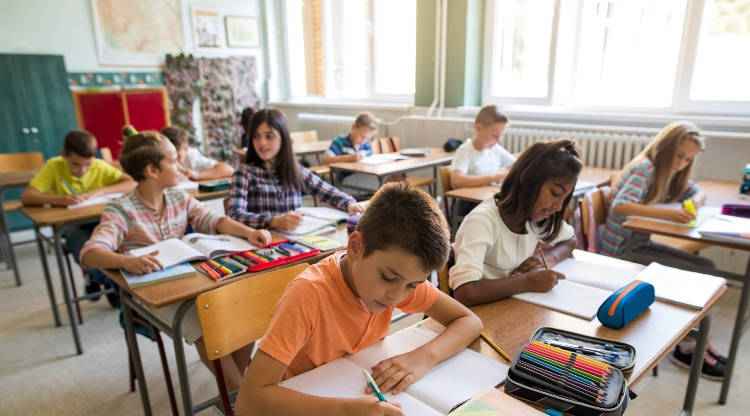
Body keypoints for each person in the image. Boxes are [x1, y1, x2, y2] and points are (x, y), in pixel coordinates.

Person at [235, 182, 483, 416]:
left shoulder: (399, 276)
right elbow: (248, 402)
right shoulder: (309, 295)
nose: (397, 296)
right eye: (387, 277)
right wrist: (346, 411)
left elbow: (469, 321)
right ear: (355, 247)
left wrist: (422, 358)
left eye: (412, 286)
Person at [79, 131, 272, 394]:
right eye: (173, 161)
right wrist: (127, 260)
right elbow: (90, 252)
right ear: (152, 170)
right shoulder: (122, 209)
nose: (180, 167)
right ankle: (240, 399)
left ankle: (238, 393)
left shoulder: (178, 197)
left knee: (240, 305)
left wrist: (248, 232)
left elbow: (212, 220)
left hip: (191, 281)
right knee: (205, 319)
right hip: (153, 293)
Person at [600, 120, 725, 380]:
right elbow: (621, 206)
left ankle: (694, 342)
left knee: (708, 269)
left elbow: (696, 190)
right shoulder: (646, 168)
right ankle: (689, 347)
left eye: (688, 159)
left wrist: (694, 201)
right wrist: (668, 215)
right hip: (623, 250)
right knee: (703, 275)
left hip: (640, 244)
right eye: (679, 155)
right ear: (666, 147)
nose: (682, 162)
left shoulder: (670, 173)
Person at [449, 139, 580, 307]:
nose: (559, 206)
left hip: (510, 308)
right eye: (555, 193)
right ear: (527, 179)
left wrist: (548, 258)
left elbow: (571, 239)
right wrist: (528, 281)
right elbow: (465, 292)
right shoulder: (483, 221)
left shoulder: (535, 218)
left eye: (565, 198)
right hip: (478, 315)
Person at [21, 129, 136, 305]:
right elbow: (27, 197)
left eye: (87, 165)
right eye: (76, 164)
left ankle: (105, 280)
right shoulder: (53, 166)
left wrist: (98, 191)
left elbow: (131, 182)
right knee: (82, 243)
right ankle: (102, 278)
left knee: (121, 234)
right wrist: (58, 200)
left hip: (99, 220)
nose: (82, 170)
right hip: (70, 225)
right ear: (64, 155)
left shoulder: (99, 165)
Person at [228, 109, 364, 231]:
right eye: (256, 136)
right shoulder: (244, 173)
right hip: (261, 245)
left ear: (283, 138)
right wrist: (273, 221)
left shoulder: (293, 170)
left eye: (269, 136)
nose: (261, 142)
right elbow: (234, 215)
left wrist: (349, 204)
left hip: (294, 241)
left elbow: (326, 190)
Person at [450, 105, 516, 217]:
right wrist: (495, 177)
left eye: (500, 135)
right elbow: (456, 181)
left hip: (486, 201)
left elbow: (517, 165)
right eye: (495, 135)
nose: (498, 140)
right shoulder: (466, 151)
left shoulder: (495, 149)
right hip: (468, 206)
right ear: (479, 128)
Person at [322, 111, 403, 194]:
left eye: (368, 138)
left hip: (365, 176)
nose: (364, 140)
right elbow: (325, 160)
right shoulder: (340, 141)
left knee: (397, 176)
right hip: (346, 183)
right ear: (353, 127)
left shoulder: (366, 145)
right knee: (388, 181)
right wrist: (350, 158)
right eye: (362, 136)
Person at [160, 126, 235, 181]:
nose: (176, 163)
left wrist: (198, 176)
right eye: (171, 158)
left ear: (186, 149)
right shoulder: (157, 156)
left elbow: (229, 170)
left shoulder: (192, 156)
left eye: (178, 157)